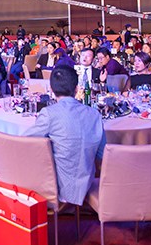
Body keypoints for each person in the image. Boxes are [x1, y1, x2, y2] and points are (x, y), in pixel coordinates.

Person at [23, 65, 106, 205]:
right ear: (76, 89)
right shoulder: (95, 114)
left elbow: (24, 143)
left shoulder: (49, 113)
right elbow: (102, 155)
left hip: (57, 187)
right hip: (86, 184)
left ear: (51, 90)